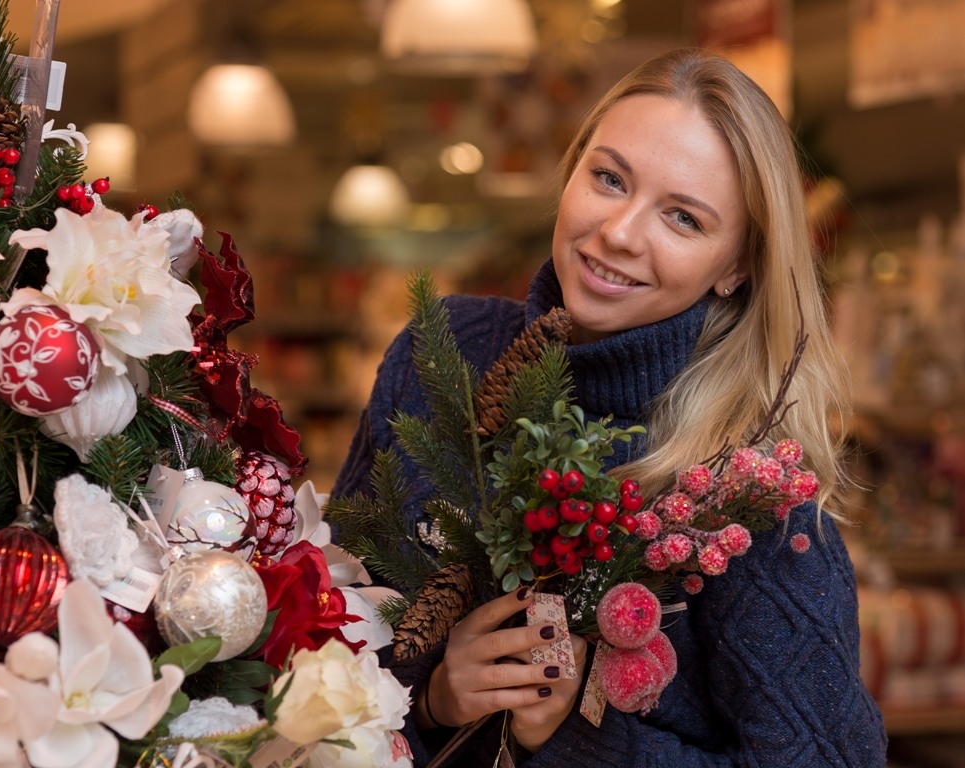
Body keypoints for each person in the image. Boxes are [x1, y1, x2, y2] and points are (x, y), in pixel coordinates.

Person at [331, 47, 887, 766]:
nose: (620, 232)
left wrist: (575, 736)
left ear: (737, 265)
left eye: (682, 218)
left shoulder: (747, 493)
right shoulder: (442, 358)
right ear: (571, 171)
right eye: (608, 178)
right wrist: (434, 697)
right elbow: (321, 625)